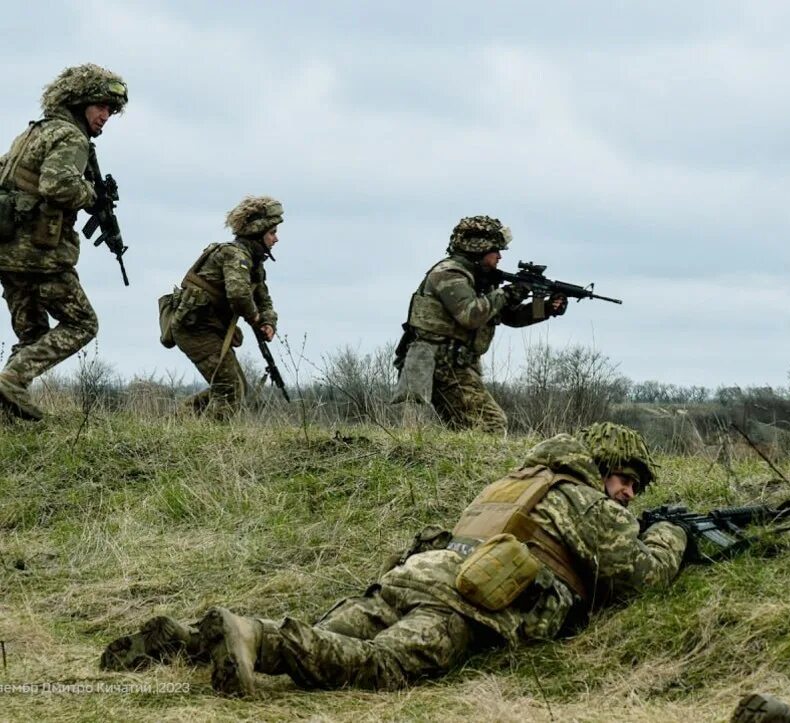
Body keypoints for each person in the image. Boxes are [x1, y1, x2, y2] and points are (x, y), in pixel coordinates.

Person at [99, 423, 689, 696]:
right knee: (380, 668)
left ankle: (187, 641)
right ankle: (256, 637)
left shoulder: (513, 485)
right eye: (626, 479)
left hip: (409, 578)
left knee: (326, 635)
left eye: (636, 488)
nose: (630, 494)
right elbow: (641, 578)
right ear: (601, 465)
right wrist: (669, 535)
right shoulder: (588, 502)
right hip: (458, 604)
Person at [0, 64, 128, 420]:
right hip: (40, 255)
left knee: (32, 335)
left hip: (7, 251)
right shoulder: (71, 138)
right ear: (79, 101)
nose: (106, 116)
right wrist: (91, 193)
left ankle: (6, 415)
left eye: (111, 110)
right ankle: (11, 379)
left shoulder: (33, 133)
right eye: (101, 106)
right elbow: (58, 186)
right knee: (83, 324)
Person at [392, 215, 567, 434]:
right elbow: (471, 315)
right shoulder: (448, 274)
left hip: (459, 365)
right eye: (496, 250)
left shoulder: (481, 280)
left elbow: (510, 317)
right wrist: (508, 292)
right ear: (479, 249)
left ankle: (456, 466)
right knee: (490, 424)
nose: (500, 256)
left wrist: (546, 308)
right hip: (441, 365)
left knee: (467, 429)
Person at [165, 196, 282, 419]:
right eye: (272, 232)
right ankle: (212, 445)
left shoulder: (253, 262)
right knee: (229, 389)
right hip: (196, 329)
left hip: (209, 328)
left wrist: (268, 322)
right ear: (258, 232)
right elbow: (238, 295)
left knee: (237, 387)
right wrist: (256, 318)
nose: (276, 239)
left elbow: (263, 298)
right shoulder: (235, 255)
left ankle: (176, 422)